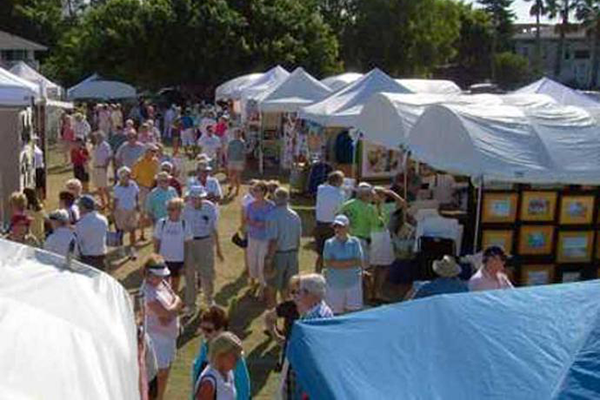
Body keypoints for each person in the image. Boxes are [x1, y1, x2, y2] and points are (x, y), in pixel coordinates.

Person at [142, 255, 183, 400]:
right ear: (147, 274)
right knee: (158, 376)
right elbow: (168, 311)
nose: (161, 278)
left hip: (169, 338)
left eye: (162, 275)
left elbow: (178, 300)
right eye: (157, 276)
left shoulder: (163, 284)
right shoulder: (147, 292)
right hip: (157, 341)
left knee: (165, 373)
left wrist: (172, 311)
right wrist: (173, 309)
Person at [191, 307, 251, 400]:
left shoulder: (232, 355)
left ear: (222, 329)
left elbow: (243, 390)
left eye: (209, 330)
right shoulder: (204, 348)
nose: (205, 333)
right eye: (203, 329)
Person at [183, 186, 223, 313]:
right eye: (192, 198)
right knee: (190, 274)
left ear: (202, 197)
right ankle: (191, 304)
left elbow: (213, 228)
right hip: (189, 242)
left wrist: (218, 248)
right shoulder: (185, 209)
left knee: (207, 273)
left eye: (198, 198)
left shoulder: (210, 207)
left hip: (206, 242)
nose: (195, 200)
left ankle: (209, 299)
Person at [265, 188, 302, 308]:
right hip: (292, 255)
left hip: (278, 255)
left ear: (275, 198)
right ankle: (287, 314)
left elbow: (273, 240)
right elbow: (298, 239)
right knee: (288, 288)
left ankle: (273, 313)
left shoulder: (272, 215)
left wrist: (269, 260)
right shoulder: (295, 215)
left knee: (272, 287)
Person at [368, 186, 406, 301]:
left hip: (374, 236)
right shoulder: (384, 207)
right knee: (380, 266)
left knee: (375, 266)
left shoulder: (368, 207)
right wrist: (391, 193)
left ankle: (373, 292)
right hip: (380, 236)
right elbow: (403, 203)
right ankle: (375, 292)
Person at [322, 215, 364, 314]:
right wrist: (350, 262)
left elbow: (358, 261)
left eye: (340, 226)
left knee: (353, 312)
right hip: (334, 283)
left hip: (353, 282)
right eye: (335, 226)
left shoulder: (355, 241)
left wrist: (337, 263)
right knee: (334, 313)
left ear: (347, 227)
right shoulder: (329, 243)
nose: (337, 229)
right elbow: (327, 263)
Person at [153, 197, 192, 292]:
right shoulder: (161, 223)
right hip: (163, 260)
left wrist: (185, 263)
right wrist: (155, 259)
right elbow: (157, 242)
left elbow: (187, 246)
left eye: (172, 209)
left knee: (175, 287)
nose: (169, 211)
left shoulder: (184, 224)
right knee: (163, 286)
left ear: (180, 210)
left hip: (178, 260)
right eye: (168, 209)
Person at [245, 181, 275, 298]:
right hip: (252, 237)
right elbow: (246, 219)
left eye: (257, 190)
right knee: (252, 261)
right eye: (254, 190)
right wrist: (252, 223)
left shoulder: (271, 206)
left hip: (265, 239)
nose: (254, 192)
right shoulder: (250, 205)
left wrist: (263, 224)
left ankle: (263, 286)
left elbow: (272, 222)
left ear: (263, 192)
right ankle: (253, 282)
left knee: (261, 262)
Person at [339, 182, 379, 269]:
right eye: (371, 195)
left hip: (345, 239)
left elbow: (338, 217)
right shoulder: (369, 208)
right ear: (366, 196)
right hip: (361, 240)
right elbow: (377, 224)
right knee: (363, 267)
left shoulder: (347, 204)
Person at [195, 331, 244, 400]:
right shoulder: (208, 384)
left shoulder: (228, 373)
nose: (237, 361)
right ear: (221, 355)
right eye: (234, 357)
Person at [264, 275, 300, 367]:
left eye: (298, 292)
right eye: (292, 292)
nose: (294, 296)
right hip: (289, 354)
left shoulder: (316, 309)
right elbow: (268, 317)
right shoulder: (289, 306)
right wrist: (276, 337)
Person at [314, 171, 346, 272]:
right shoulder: (340, 194)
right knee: (333, 253)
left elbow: (323, 185)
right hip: (332, 225)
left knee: (320, 254)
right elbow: (340, 210)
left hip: (319, 224)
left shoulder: (320, 189)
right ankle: (332, 275)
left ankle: (317, 273)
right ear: (337, 181)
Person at [133, 145, 161, 240]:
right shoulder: (139, 162)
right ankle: (142, 234)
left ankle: (155, 233)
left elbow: (157, 174)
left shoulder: (156, 161)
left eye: (155, 151)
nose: (154, 153)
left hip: (153, 187)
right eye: (152, 151)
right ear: (146, 151)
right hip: (143, 188)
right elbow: (134, 176)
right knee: (143, 212)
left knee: (154, 210)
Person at [113, 166, 140, 260]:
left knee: (133, 230)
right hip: (121, 211)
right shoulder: (117, 188)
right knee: (120, 231)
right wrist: (114, 213)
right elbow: (115, 201)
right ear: (120, 177)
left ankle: (132, 250)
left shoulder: (133, 184)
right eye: (126, 176)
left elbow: (136, 195)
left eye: (129, 175)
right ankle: (121, 249)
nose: (128, 177)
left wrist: (137, 204)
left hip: (132, 210)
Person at [75, 195, 108, 270]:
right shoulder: (103, 219)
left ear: (84, 207)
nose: (78, 208)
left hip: (87, 259)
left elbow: (78, 241)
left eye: (79, 206)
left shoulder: (81, 223)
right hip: (102, 258)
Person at [91, 131, 113, 210]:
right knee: (99, 187)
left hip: (102, 168)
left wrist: (106, 167)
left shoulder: (105, 145)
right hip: (96, 168)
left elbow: (109, 156)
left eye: (99, 137)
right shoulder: (95, 146)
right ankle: (103, 203)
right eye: (96, 137)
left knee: (105, 187)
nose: (97, 138)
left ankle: (109, 203)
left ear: (102, 137)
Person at [226, 128, 245, 197]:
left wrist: (244, 161)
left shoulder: (242, 142)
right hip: (231, 160)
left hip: (239, 161)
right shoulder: (231, 142)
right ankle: (231, 185)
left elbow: (244, 153)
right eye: (236, 133)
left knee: (237, 176)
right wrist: (227, 160)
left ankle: (237, 189)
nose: (237, 134)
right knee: (230, 175)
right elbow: (228, 151)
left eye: (238, 133)